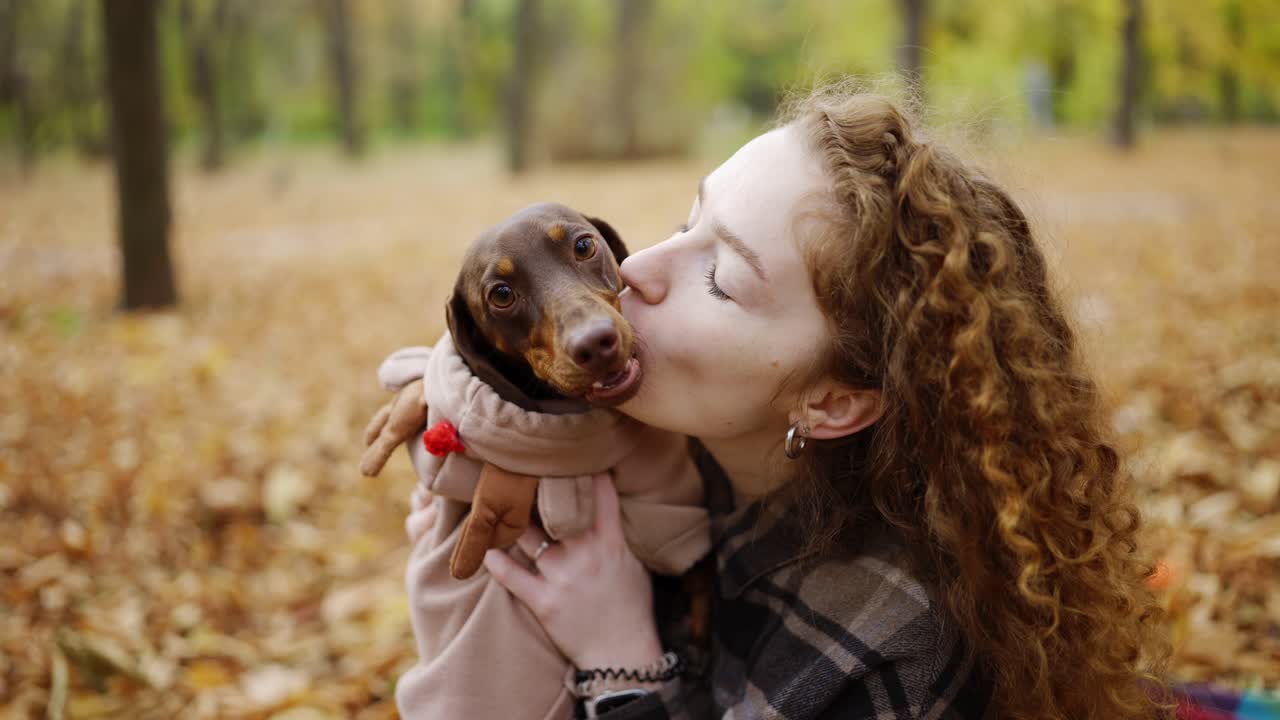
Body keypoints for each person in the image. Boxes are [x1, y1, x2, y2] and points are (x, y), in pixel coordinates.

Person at [408, 84, 1171, 719]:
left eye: (722, 278)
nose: (637, 269)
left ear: (834, 401)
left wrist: (622, 665)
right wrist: (474, 425)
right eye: (686, 221)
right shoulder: (688, 450)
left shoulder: (877, 654)